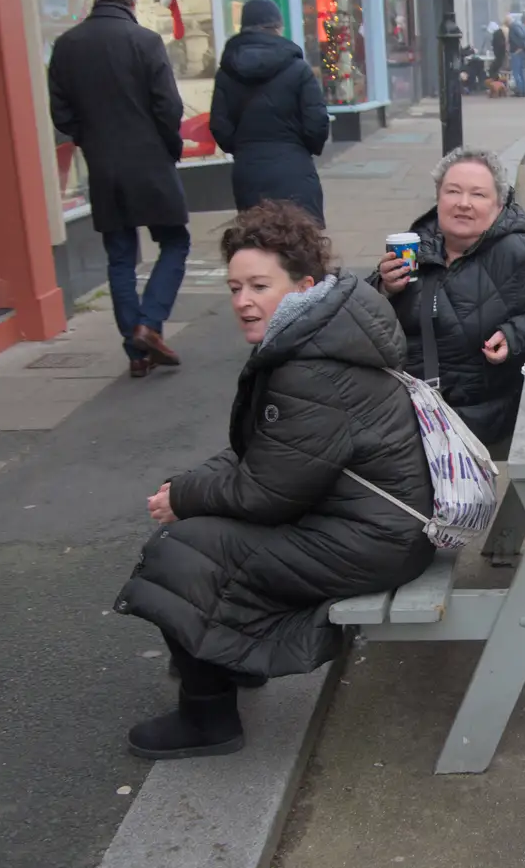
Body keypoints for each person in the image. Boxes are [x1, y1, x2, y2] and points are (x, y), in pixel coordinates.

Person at [115, 201, 435, 759]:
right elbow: (268, 452)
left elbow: (269, 492)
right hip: (377, 526)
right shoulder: (320, 334)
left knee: (181, 550)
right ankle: (227, 663)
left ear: (303, 284)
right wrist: (191, 485)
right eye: (235, 287)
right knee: (205, 530)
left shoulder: (308, 367)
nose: (243, 301)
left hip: (373, 542)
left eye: (260, 285)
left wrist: (186, 497)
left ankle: (208, 718)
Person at [372, 147, 525, 449]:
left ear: (498, 205)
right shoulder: (417, 245)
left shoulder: (519, 254)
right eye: (453, 191)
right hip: (402, 406)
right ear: (439, 198)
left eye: (477, 195)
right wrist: (384, 286)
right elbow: (359, 316)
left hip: (472, 417)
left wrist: (514, 333)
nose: (463, 203)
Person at [49, 0, 189, 378]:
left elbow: (61, 111)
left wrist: (88, 139)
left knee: (120, 256)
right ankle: (149, 324)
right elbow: (168, 106)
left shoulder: (68, 45)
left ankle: (136, 348)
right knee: (175, 242)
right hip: (149, 160)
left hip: (103, 164)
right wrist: (170, 145)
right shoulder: (144, 41)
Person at [209, 0, 329, 225]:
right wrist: (304, 148)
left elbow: (219, 125)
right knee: (301, 246)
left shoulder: (226, 72)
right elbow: (317, 122)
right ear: (277, 27)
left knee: (257, 243)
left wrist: (242, 148)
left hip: (248, 170)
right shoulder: (298, 69)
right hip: (294, 169)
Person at [507, 15, 525, 97]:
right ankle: (524, 91)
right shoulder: (521, 26)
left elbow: (520, 36)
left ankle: (519, 91)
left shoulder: (513, 27)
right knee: (522, 71)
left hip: (517, 52)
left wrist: (519, 47)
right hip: (523, 51)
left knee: (516, 72)